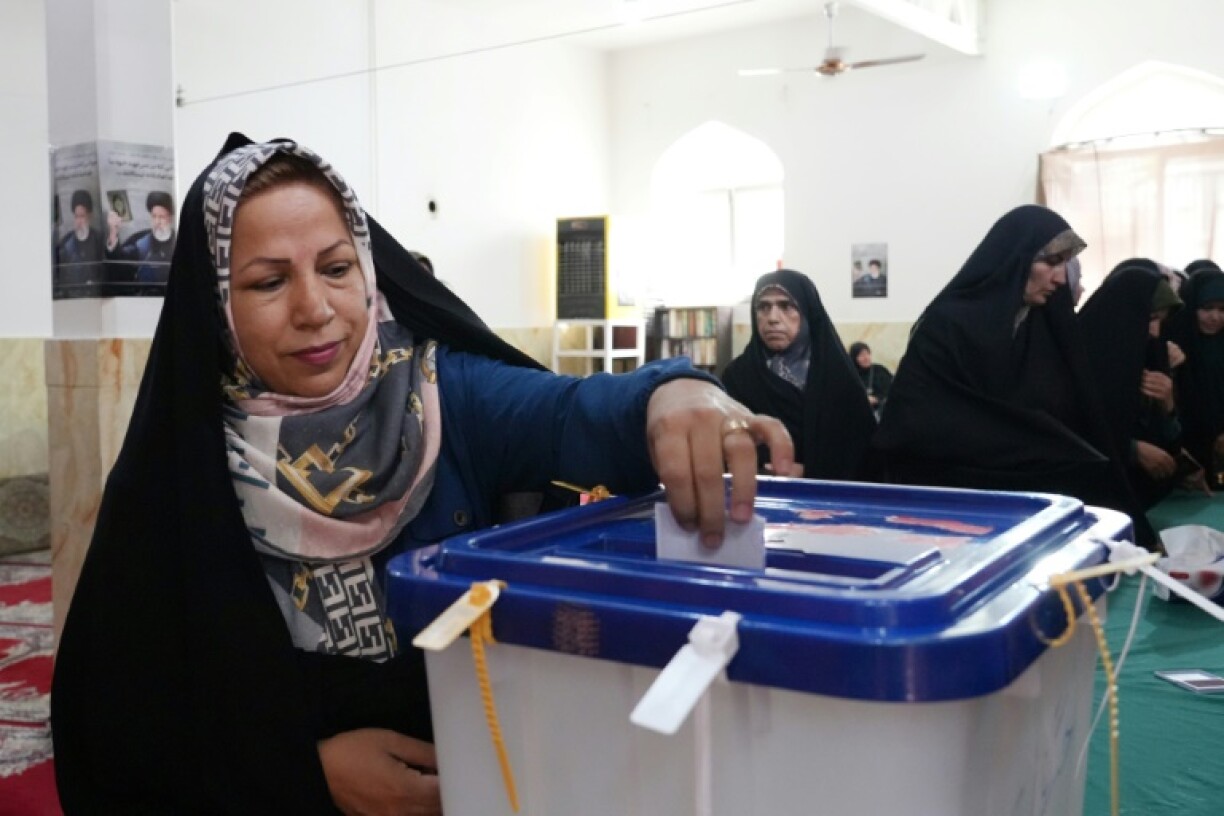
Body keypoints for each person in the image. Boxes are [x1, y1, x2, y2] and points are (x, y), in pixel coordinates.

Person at [51, 135, 796, 815]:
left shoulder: (442, 397)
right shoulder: (185, 467)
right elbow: (122, 727)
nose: (316, 309)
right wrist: (304, 774)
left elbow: (576, 411)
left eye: (337, 269)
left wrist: (675, 396)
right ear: (217, 306)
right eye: (268, 283)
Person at [873, 205, 1157, 547]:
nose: (1059, 277)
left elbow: (1074, 410)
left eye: (1064, 264)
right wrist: (1034, 443)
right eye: (1050, 262)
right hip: (950, 495)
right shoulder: (949, 324)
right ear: (1015, 258)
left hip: (1030, 496)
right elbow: (916, 421)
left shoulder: (1044, 325)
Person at [720, 269, 876, 479]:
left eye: (786, 306)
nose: (772, 318)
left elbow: (863, 453)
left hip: (830, 500)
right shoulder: (737, 378)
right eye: (763, 307)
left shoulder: (838, 377)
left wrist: (811, 473)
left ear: (807, 313)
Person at [1079, 264, 1194, 507]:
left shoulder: (1151, 353)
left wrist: (1168, 406)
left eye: (1160, 321)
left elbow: (1170, 438)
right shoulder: (1080, 358)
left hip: (1148, 497)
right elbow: (1073, 429)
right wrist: (1130, 450)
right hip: (1099, 500)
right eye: (1150, 318)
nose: (1155, 332)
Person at [1169, 261, 1224, 488]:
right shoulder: (1175, 342)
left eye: (1223, 310)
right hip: (1187, 444)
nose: (1215, 317)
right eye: (1207, 308)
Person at [106, 190, 177, 293]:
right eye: (154, 216)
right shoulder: (141, 243)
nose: (157, 222)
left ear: (170, 218)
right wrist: (113, 232)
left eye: (161, 217)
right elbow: (121, 258)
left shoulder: (180, 242)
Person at [55, 189, 105, 294]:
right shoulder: (65, 243)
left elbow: (104, 273)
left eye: (82, 216)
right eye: (76, 216)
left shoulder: (99, 240)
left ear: (89, 216)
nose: (79, 222)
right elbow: (61, 277)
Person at [847, 341, 893, 420]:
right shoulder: (851, 376)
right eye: (861, 355)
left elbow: (893, 390)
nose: (866, 358)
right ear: (854, 358)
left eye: (867, 353)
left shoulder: (880, 370)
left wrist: (876, 399)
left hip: (886, 413)